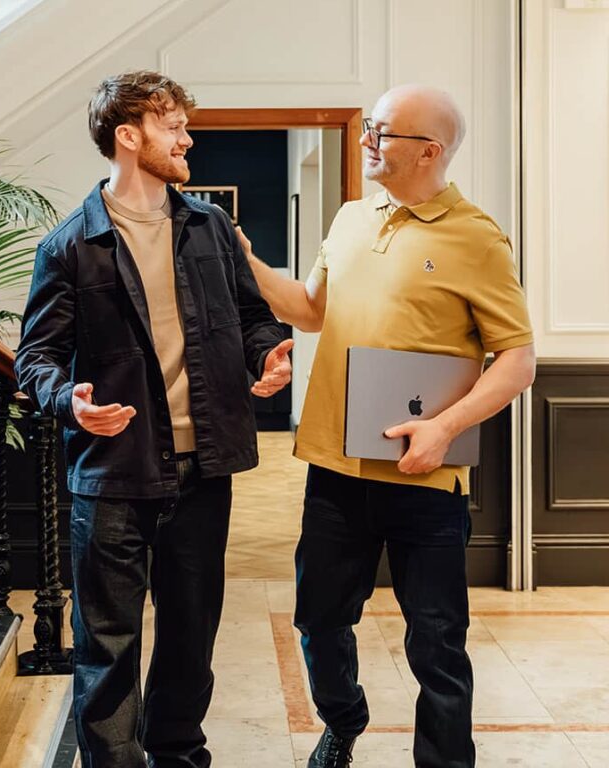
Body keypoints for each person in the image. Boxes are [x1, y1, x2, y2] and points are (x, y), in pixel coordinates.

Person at [239, 85, 536, 768]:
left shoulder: (478, 237)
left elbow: (517, 361)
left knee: (435, 641)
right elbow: (309, 310)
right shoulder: (349, 218)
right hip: (335, 472)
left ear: (429, 151)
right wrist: (246, 259)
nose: (367, 140)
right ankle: (343, 721)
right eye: (370, 127)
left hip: (426, 479)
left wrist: (444, 427)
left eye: (382, 131)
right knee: (317, 621)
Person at [14, 70, 292, 768]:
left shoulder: (212, 227)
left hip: (204, 471)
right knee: (107, 648)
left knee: (191, 639)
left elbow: (255, 316)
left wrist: (268, 357)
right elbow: (37, 357)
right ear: (129, 135)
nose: (187, 138)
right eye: (173, 126)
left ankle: (178, 756)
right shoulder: (71, 245)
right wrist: (67, 397)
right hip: (112, 475)